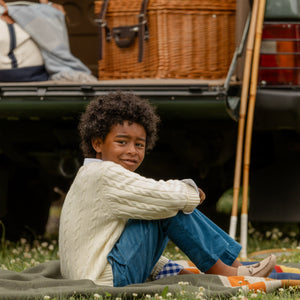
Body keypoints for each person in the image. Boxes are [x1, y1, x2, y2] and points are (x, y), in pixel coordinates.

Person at [58, 91, 276, 287]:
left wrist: (169, 269)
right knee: (169, 204)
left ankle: (232, 266)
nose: (132, 151)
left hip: (95, 273)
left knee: (158, 206)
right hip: (105, 279)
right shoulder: (104, 174)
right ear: (97, 143)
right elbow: (163, 200)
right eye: (122, 142)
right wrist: (190, 192)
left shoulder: (88, 174)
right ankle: (226, 270)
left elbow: (116, 237)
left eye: (139, 145)